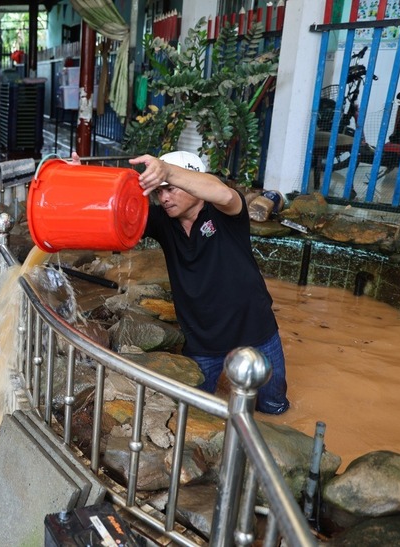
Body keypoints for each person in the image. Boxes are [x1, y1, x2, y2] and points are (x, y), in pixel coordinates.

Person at [73, 150, 290, 414]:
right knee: (192, 413)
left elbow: (223, 193)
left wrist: (166, 171)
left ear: (192, 183)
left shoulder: (225, 213)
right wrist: (82, 182)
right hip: (202, 339)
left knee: (273, 408)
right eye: (159, 192)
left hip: (255, 330)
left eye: (170, 189)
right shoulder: (163, 221)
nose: (164, 198)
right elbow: (116, 211)